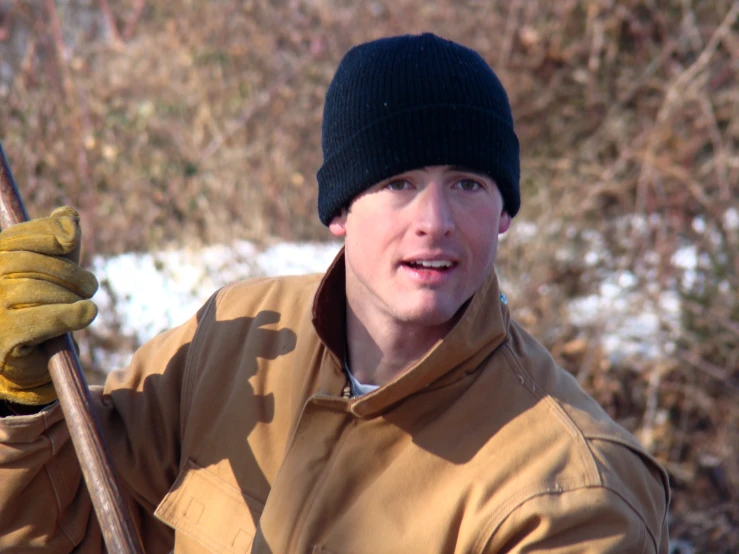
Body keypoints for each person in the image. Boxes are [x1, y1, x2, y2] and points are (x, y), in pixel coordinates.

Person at [0, 33, 670, 553]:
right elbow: (56, 527)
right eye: (398, 183)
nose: (433, 221)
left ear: (503, 214)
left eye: (467, 183)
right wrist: (20, 403)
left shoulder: (571, 490)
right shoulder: (237, 340)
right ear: (339, 210)